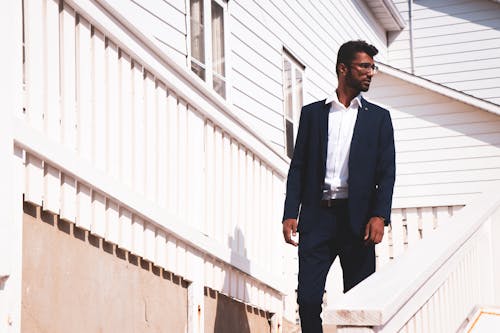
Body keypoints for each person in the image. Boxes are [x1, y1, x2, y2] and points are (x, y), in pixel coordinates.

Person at [282, 40, 396, 333]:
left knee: (360, 300)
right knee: (307, 298)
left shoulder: (379, 119)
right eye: (364, 66)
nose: (371, 73)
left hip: (357, 220)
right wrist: (289, 213)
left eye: (373, 67)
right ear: (343, 69)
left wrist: (379, 215)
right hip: (317, 217)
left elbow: (386, 172)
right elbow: (299, 168)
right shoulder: (313, 115)